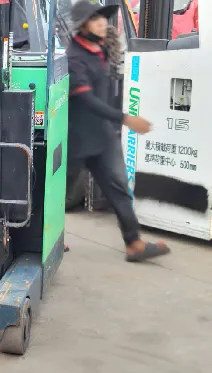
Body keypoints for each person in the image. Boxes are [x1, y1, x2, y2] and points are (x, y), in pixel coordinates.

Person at [65, 0, 170, 262]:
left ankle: (134, 243)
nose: (102, 22)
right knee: (58, 194)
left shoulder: (100, 48)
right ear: (83, 25)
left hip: (101, 137)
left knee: (119, 188)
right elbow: (87, 100)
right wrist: (125, 119)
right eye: (95, 19)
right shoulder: (74, 58)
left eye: (103, 17)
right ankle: (44, 240)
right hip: (76, 139)